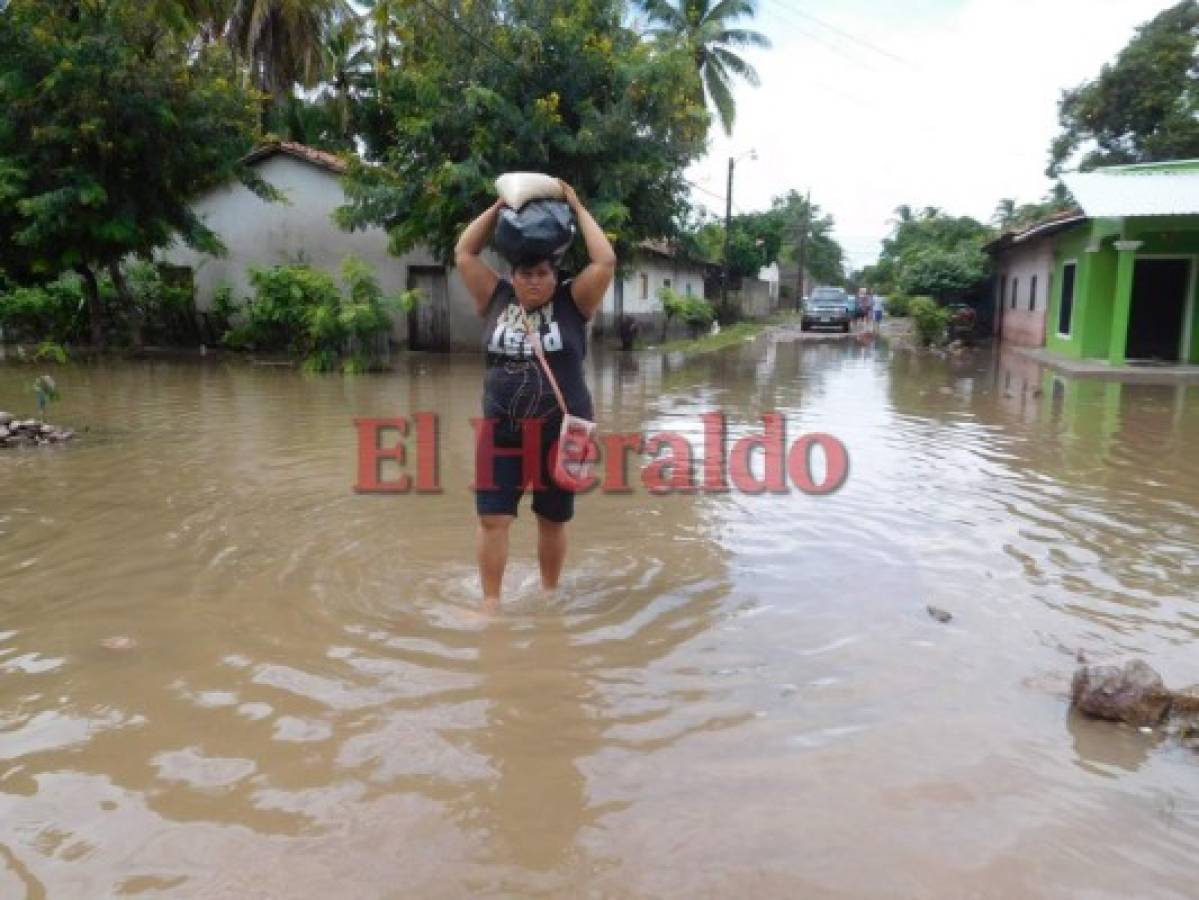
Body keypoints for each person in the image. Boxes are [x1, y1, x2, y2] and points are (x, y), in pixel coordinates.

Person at [455, 180, 616, 611]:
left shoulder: (573, 302)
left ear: (555, 275)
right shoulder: (494, 297)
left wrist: (578, 205)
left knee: (552, 518)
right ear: (513, 275)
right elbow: (465, 252)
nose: (534, 282)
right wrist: (499, 205)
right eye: (526, 274)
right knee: (493, 518)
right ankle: (491, 605)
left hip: (562, 432)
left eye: (542, 274)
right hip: (502, 431)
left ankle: (549, 594)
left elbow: (605, 259)